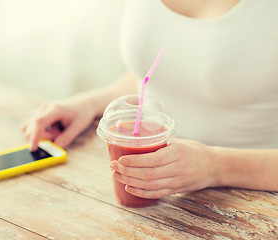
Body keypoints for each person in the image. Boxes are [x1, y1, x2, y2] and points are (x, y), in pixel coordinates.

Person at [21, 0, 278, 199]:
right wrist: (91, 103)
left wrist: (215, 166)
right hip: (158, 190)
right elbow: (158, 75)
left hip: (255, 200)